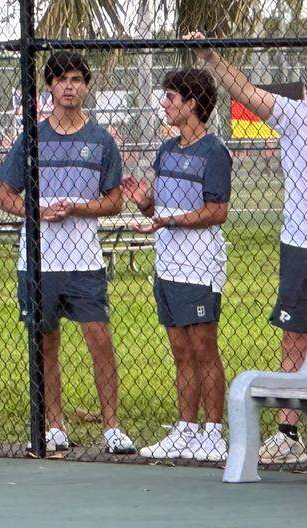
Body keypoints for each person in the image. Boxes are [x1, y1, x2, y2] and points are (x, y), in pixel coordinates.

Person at [0, 51, 135, 455]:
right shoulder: (32, 137)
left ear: (86, 87)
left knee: (99, 340)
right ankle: (53, 426)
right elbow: (4, 194)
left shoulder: (101, 140)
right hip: (38, 262)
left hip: (84, 263)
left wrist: (78, 207)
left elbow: (114, 202)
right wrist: (35, 212)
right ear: (49, 87)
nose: (69, 87)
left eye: (76, 79)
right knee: (44, 343)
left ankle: (112, 427)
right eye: (61, 80)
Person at [189, 32, 307, 464]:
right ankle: (288, 436)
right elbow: (247, 93)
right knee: (295, 334)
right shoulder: (297, 116)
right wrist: (212, 60)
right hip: (301, 245)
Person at [123, 69, 231, 462]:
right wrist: (145, 203)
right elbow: (159, 210)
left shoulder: (214, 152)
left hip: (200, 265)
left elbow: (217, 211)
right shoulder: (166, 150)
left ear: (193, 104)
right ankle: (185, 430)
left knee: (204, 348)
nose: (165, 105)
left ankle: (213, 433)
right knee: (180, 351)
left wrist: (172, 220)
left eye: (171, 98)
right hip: (166, 264)